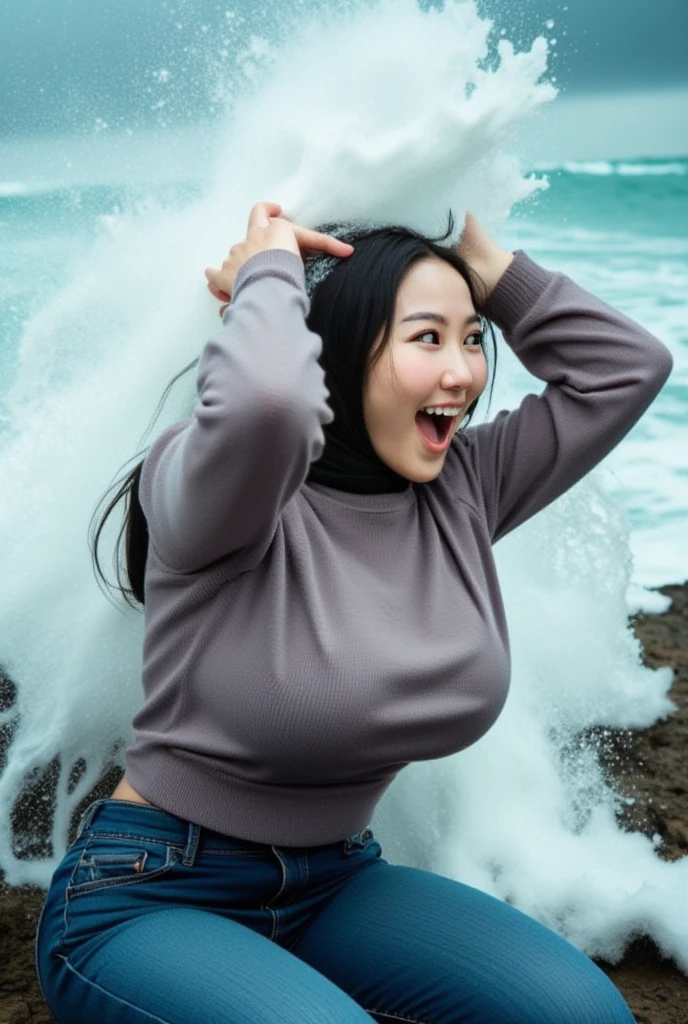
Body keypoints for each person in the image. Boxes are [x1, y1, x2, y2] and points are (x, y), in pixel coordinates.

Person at [34, 200, 673, 1024]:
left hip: (336, 883)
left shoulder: (464, 491)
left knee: (584, 1015)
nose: (464, 373)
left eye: (472, 338)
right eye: (427, 338)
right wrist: (267, 277)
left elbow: (628, 367)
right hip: (152, 896)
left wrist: (488, 265)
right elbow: (268, 410)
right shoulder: (217, 496)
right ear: (335, 348)